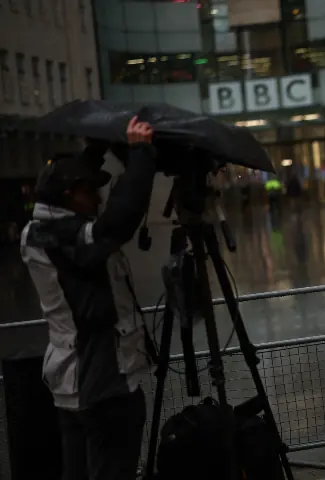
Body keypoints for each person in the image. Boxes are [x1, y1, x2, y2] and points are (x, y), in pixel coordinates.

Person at [20, 117, 157, 480]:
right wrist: (141, 157)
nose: (97, 197)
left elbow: (77, 209)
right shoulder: (67, 237)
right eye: (89, 189)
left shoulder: (37, 231)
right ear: (70, 194)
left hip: (73, 385)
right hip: (104, 384)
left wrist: (98, 148)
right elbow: (117, 223)